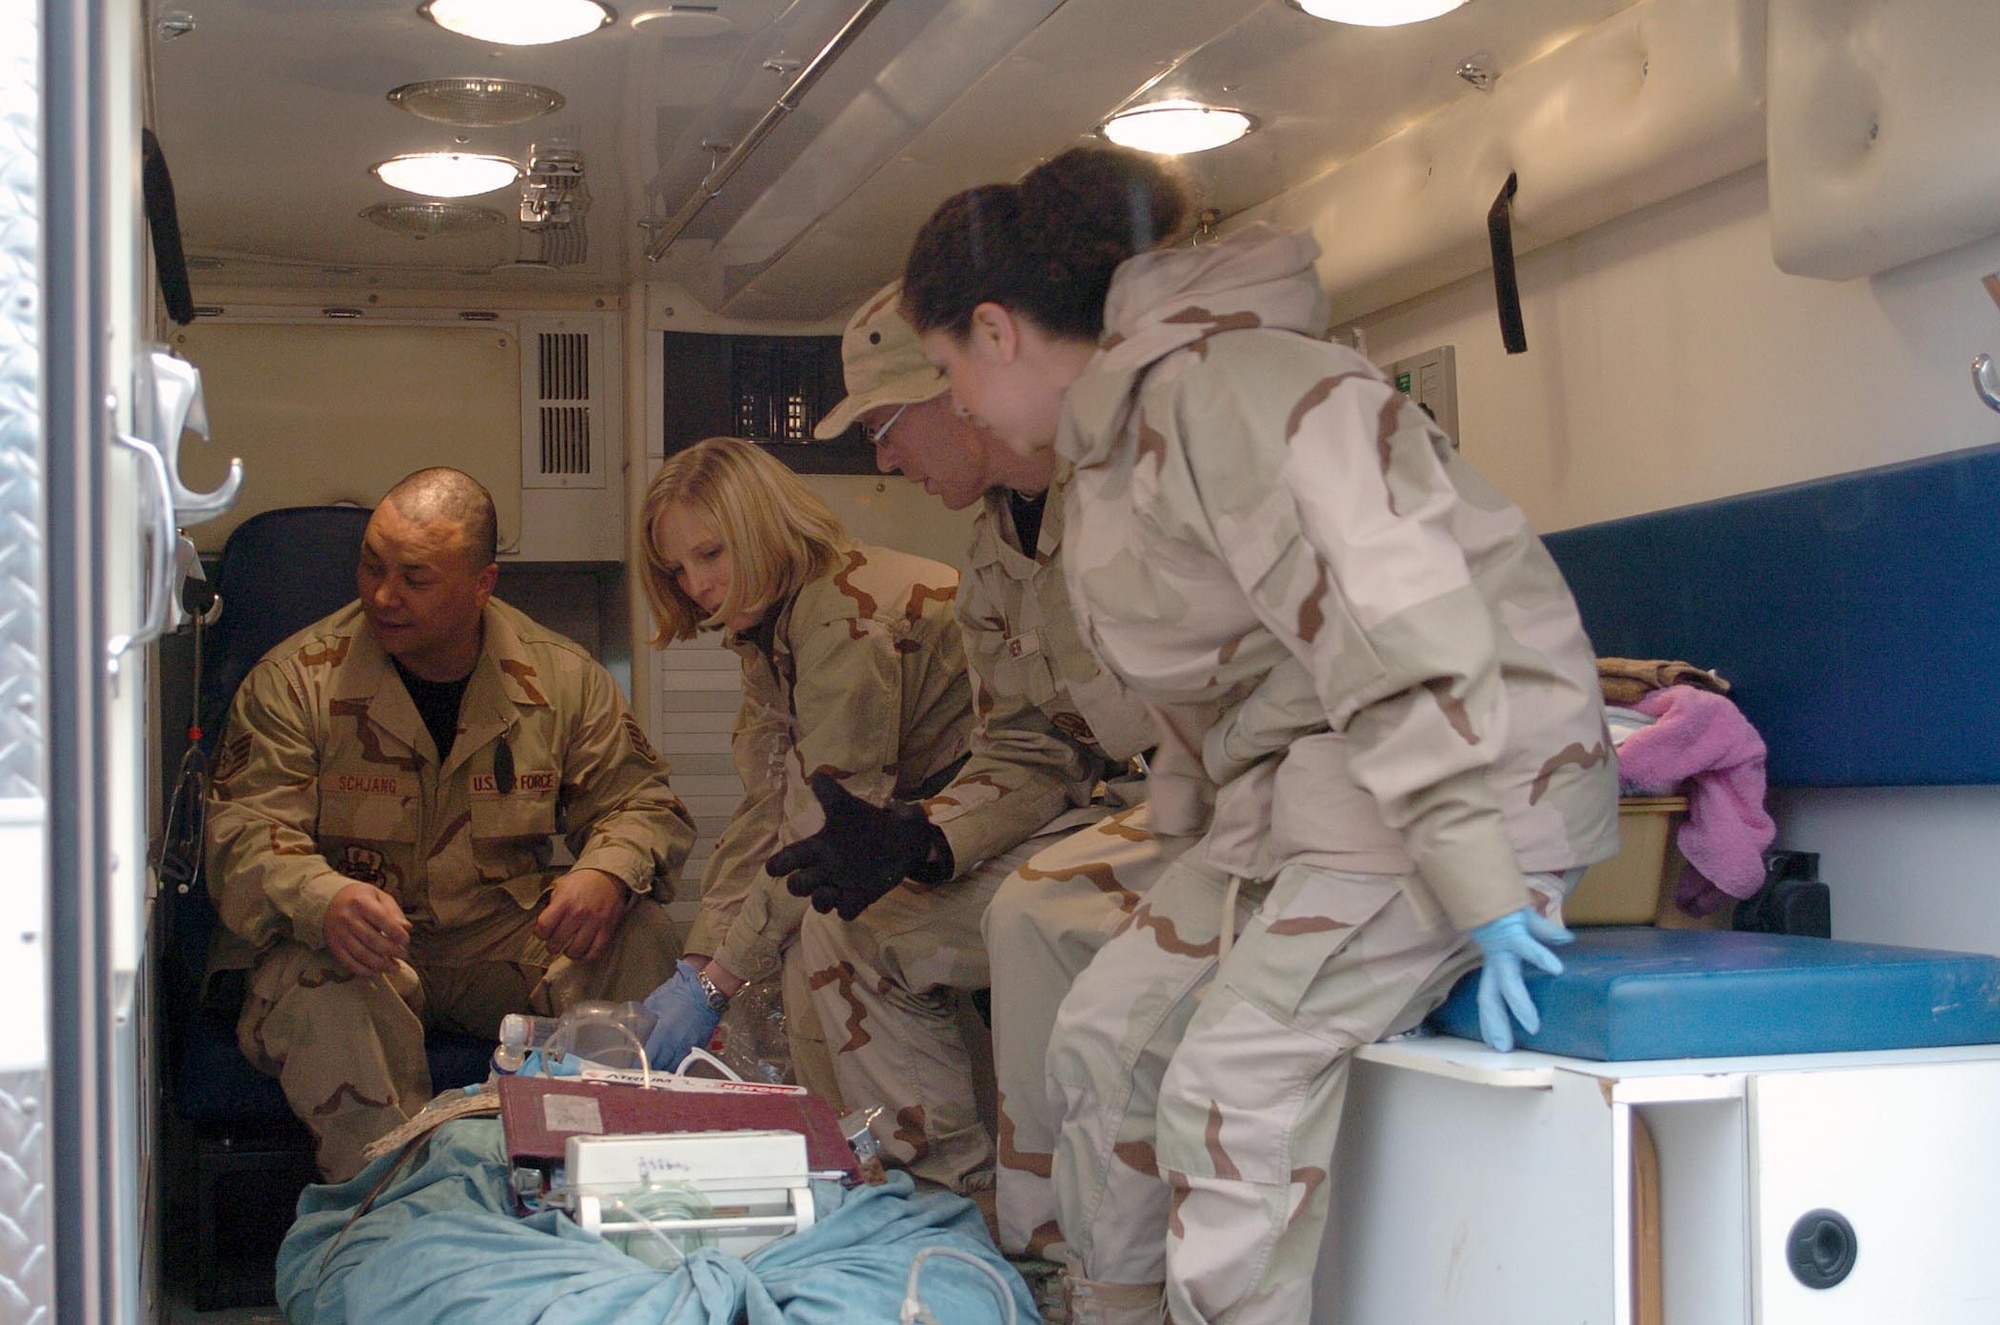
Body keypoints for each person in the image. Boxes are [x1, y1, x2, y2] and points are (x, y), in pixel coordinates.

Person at [901, 147, 1620, 1325]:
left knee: (1228, 1088)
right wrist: (1180, 846)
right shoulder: (1119, 442)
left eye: (944, 371)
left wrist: (1484, 882)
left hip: (1468, 779)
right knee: (1101, 1040)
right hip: (1314, 788)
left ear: (994, 330)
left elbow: (1396, 634)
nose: (958, 406)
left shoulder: (1237, 389)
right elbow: (1214, 690)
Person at [780, 282, 1178, 1222]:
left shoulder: (1143, 493)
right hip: (1107, 818)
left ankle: (1053, 1250)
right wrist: (924, 839)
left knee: (1034, 914)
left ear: (956, 390)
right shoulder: (996, 555)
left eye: (887, 424)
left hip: (1215, 811)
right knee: (853, 926)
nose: (883, 456)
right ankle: (948, 1215)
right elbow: (1031, 747)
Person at [205, 467, 695, 1182]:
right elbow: (241, 833)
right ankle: (392, 1212)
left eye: (415, 577)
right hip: (357, 942)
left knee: (638, 930)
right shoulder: (298, 679)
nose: (381, 594)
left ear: (482, 583)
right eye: (371, 565)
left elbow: (643, 802)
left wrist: (606, 871)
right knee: (319, 981)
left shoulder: (558, 676)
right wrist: (321, 897)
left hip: (498, 937)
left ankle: (607, 1186)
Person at [635, 436, 971, 1120]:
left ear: (762, 526)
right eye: (677, 569)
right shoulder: (775, 622)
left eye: (711, 553)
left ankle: (912, 1176)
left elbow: (823, 829)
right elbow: (769, 804)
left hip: (996, 822)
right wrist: (702, 960)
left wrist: (719, 980)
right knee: (780, 943)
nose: (696, 586)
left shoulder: (843, 618)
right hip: (925, 825)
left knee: (821, 942)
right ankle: (854, 1157)